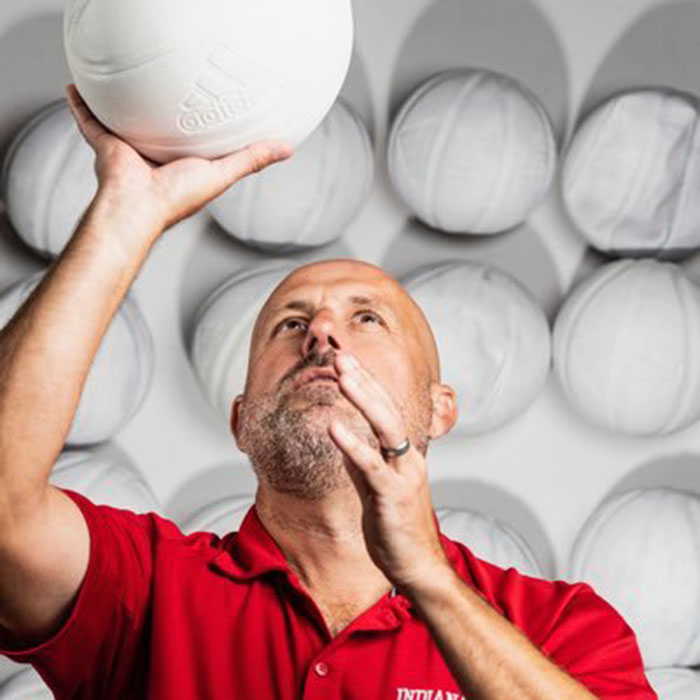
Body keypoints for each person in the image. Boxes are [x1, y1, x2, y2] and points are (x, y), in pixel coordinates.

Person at [0, 85, 656, 700]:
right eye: (290, 324)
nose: (320, 333)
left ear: (438, 408)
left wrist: (430, 581)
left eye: (366, 318)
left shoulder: (557, 626)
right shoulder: (149, 590)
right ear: (240, 420)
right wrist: (122, 217)